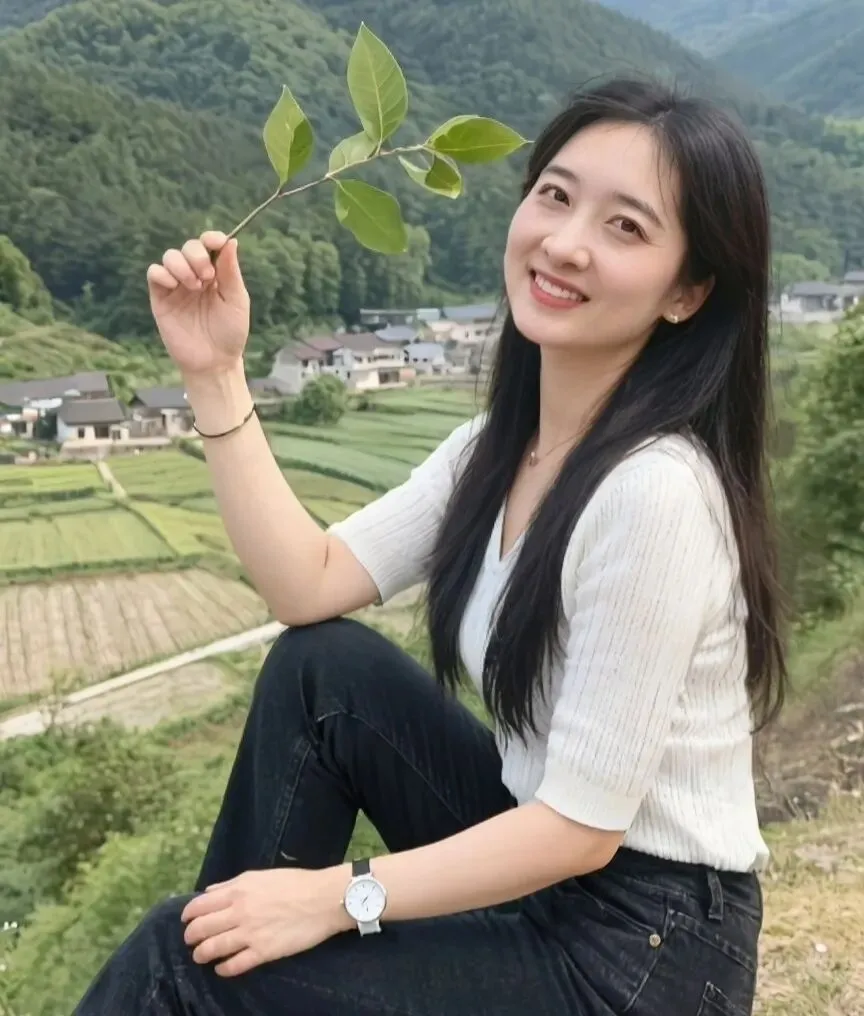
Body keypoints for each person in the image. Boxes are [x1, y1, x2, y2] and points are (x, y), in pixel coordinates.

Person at [74, 76, 787, 1016]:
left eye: (626, 227)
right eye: (556, 195)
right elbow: (308, 584)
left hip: (645, 955)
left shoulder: (656, 494)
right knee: (320, 674)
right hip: (553, 874)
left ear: (688, 292)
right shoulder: (498, 449)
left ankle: (213, 984)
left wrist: (336, 897)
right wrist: (213, 372)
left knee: (177, 960)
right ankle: (232, 973)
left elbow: (581, 830)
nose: (565, 243)